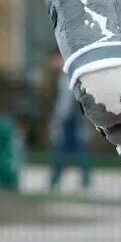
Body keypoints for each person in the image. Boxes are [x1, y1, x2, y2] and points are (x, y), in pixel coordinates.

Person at [47, 51, 92, 190]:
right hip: (72, 120)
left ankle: (55, 181)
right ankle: (81, 181)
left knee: (64, 152)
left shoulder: (67, 76)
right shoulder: (68, 75)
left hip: (70, 120)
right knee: (73, 152)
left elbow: (66, 102)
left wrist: (58, 118)